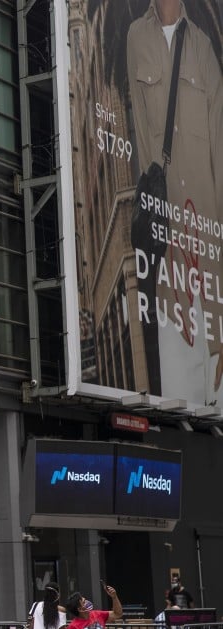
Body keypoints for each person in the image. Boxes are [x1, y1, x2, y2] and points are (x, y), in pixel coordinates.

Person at [126, 0, 223, 401]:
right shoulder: (135, 37)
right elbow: (144, 143)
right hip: (169, 267)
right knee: (180, 412)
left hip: (213, 259)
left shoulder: (203, 48)